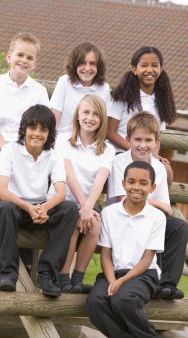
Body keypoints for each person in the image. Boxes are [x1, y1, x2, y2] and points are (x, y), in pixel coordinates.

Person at [87, 161, 178, 338]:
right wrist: (112, 280)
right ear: (123, 184)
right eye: (131, 182)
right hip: (112, 272)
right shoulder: (109, 213)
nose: (136, 187)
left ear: (152, 188)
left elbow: (147, 259)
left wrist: (122, 282)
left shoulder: (157, 217)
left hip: (143, 274)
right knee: (95, 302)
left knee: (123, 300)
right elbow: (106, 255)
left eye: (143, 183)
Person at [0, 105, 78, 297]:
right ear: (24, 129)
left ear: (50, 133)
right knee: (4, 207)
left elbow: (61, 192)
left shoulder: (54, 154)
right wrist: (29, 207)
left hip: (37, 208)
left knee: (70, 209)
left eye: (43, 129)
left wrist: (43, 208)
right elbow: (2, 191)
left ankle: (47, 274)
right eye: (32, 128)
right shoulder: (9, 149)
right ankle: (7, 274)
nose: (37, 134)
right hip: (10, 206)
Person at [108, 111, 188, 299]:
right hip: (124, 218)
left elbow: (167, 208)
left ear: (156, 142)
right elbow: (123, 200)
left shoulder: (159, 168)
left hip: (149, 217)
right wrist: (153, 204)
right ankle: (151, 280)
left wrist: (149, 205)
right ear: (128, 139)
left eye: (148, 140)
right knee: (154, 220)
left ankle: (166, 284)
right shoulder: (120, 162)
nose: (143, 145)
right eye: (137, 139)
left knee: (179, 227)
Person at [49, 94, 115, 293]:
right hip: (62, 200)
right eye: (86, 112)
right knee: (74, 221)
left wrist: (88, 207)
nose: (90, 117)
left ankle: (77, 279)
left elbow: (100, 181)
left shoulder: (107, 150)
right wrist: (83, 207)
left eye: (96, 114)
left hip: (88, 202)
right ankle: (63, 277)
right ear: (77, 115)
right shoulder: (62, 140)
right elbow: (68, 174)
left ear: (102, 119)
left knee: (95, 225)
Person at [0, 32, 49, 180]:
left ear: (34, 64)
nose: (24, 60)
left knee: (40, 169)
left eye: (30, 58)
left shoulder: (40, 92)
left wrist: (25, 151)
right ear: (9, 57)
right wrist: (7, 149)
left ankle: (16, 200)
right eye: (20, 55)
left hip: (27, 144)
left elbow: (41, 127)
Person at [107, 46, 176, 187]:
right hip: (119, 151)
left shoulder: (162, 100)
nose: (149, 70)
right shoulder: (123, 96)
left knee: (166, 170)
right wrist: (134, 149)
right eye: (144, 65)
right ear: (135, 69)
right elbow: (110, 132)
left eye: (154, 65)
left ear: (161, 69)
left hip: (145, 153)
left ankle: (159, 208)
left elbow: (157, 136)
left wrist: (154, 156)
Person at [50, 41, 110, 134]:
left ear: (99, 67)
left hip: (89, 143)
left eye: (92, 63)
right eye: (82, 63)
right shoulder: (64, 81)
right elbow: (53, 120)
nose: (87, 68)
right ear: (75, 64)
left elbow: (103, 124)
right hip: (62, 140)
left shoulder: (104, 88)